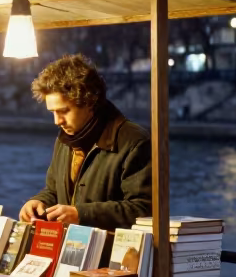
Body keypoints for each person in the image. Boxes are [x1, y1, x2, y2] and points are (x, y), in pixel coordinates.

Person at [19, 53, 151, 236]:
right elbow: (53, 191)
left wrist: (81, 214)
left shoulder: (135, 141)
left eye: (63, 111)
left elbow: (143, 209)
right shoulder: (64, 139)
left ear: (89, 102)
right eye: (52, 112)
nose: (57, 121)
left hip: (112, 257)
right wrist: (38, 203)